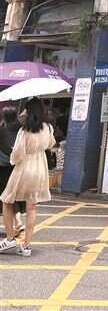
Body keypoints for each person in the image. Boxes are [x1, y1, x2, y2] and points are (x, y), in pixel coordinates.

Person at [0, 98, 55, 257]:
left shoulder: (24, 130)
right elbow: (50, 144)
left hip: (24, 168)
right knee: (32, 208)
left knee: (7, 201)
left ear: (28, 111)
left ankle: (10, 238)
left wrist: (13, 156)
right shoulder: (48, 128)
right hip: (40, 168)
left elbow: (17, 155)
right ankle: (26, 246)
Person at [0, 107, 25, 236]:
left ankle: (17, 223)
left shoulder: (2, 130)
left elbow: (4, 148)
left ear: (4, 116)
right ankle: (18, 221)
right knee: (13, 194)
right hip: (17, 165)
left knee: (6, 195)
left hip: (3, 167)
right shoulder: (22, 130)